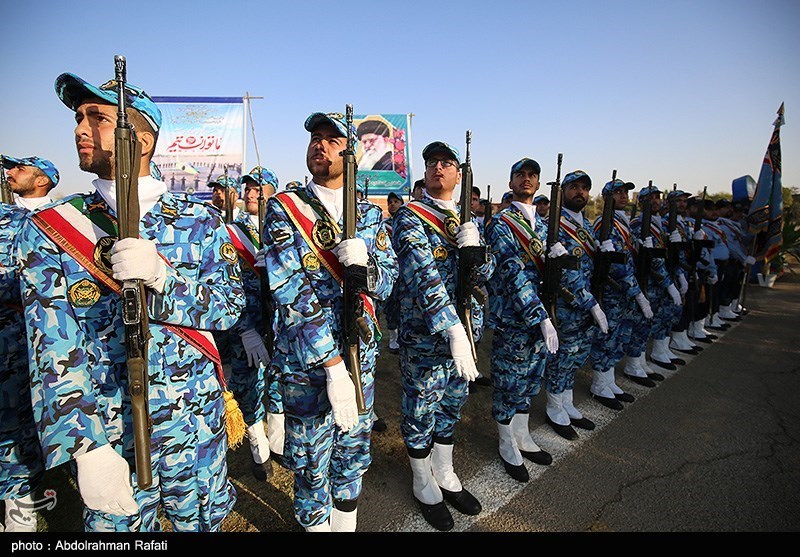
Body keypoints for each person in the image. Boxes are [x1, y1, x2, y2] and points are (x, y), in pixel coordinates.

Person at [15, 70, 245, 532]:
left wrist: (163, 278)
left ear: (139, 139)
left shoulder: (198, 219)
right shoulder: (51, 228)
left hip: (192, 418)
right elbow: (50, 346)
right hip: (109, 427)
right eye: (78, 118)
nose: (80, 129)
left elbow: (228, 307)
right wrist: (86, 446)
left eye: (96, 118)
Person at [261, 111, 397, 532]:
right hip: (308, 365)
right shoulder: (285, 208)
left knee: (353, 453)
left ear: (351, 152)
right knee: (310, 463)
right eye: (315, 138)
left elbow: (389, 280)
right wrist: (332, 364)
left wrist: (367, 268)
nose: (320, 144)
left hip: (361, 356)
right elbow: (289, 289)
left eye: (332, 139)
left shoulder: (369, 214)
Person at [391, 141, 494, 531]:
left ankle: (444, 470)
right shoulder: (411, 217)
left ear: (459, 174)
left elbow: (487, 276)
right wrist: (450, 328)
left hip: (467, 331)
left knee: (453, 401)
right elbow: (421, 274)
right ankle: (421, 480)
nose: (439, 168)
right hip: (427, 334)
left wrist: (477, 251)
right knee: (421, 407)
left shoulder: (470, 220)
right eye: (432, 162)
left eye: (447, 163)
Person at [485, 157, 562, 481]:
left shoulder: (545, 226)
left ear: (539, 183)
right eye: (521, 175)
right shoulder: (501, 223)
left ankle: (522, 435)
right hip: (516, 320)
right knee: (508, 383)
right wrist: (540, 317)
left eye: (532, 175)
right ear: (511, 182)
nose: (526, 179)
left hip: (541, 318)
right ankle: (506, 442)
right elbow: (513, 273)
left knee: (531, 379)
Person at [0, 155, 60, 532]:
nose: (9, 173)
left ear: (42, 180)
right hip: (5, 336)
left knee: (44, 417)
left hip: (48, 336)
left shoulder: (64, 221)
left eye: (18, 168)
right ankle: (17, 510)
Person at [224, 166, 287, 480]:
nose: (251, 194)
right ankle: (257, 443)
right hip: (244, 323)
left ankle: (277, 437)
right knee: (248, 383)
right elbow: (227, 284)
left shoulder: (282, 229)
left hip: (279, 323)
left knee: (277, 379)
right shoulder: (230, 232)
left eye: (259, 188)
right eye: (247, 188)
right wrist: (246, 328)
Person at [542, 170, 609, 441]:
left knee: (575, 356)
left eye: (584, 188)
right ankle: (554, 407)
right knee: (562, 357)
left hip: (586, 302)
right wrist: (591, 303)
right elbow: (566, 274)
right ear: (563, 192)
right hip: (567, 304)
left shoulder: (587, 226)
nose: (579, 192)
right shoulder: (552, 226)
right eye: (574, 187)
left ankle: (567, 402)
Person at [589, 178, 651, 411]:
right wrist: (637, 293)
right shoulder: (605, 223)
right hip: (612, 290)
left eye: (626, 192)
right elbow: (615, 265)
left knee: (618, 336)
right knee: (606, 337)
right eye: (618, 192)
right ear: (607, 197)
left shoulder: (622, 222)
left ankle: (608, 379)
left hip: (624, 291)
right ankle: (599, 382)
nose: (624, 196)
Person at [624, 184, 682, 382]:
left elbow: (667, 255)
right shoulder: (640, 224)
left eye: (658, 197)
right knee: (641, 323)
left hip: (661, 283)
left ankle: (642, 360)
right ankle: (633, 364)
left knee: (652, 322)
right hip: (647, 282)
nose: (655, 201)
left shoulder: (663, 224)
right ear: (641, 202)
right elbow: (653, 261)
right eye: (651, 198)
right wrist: (669, 283)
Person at [383, 192, 404, 354]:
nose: (393, 204)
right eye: (390, 202)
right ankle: (393, 338)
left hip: (405, 272)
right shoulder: (384, 225)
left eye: (396, 201)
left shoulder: (408, 222)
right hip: (391, 272)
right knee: (390, 306)